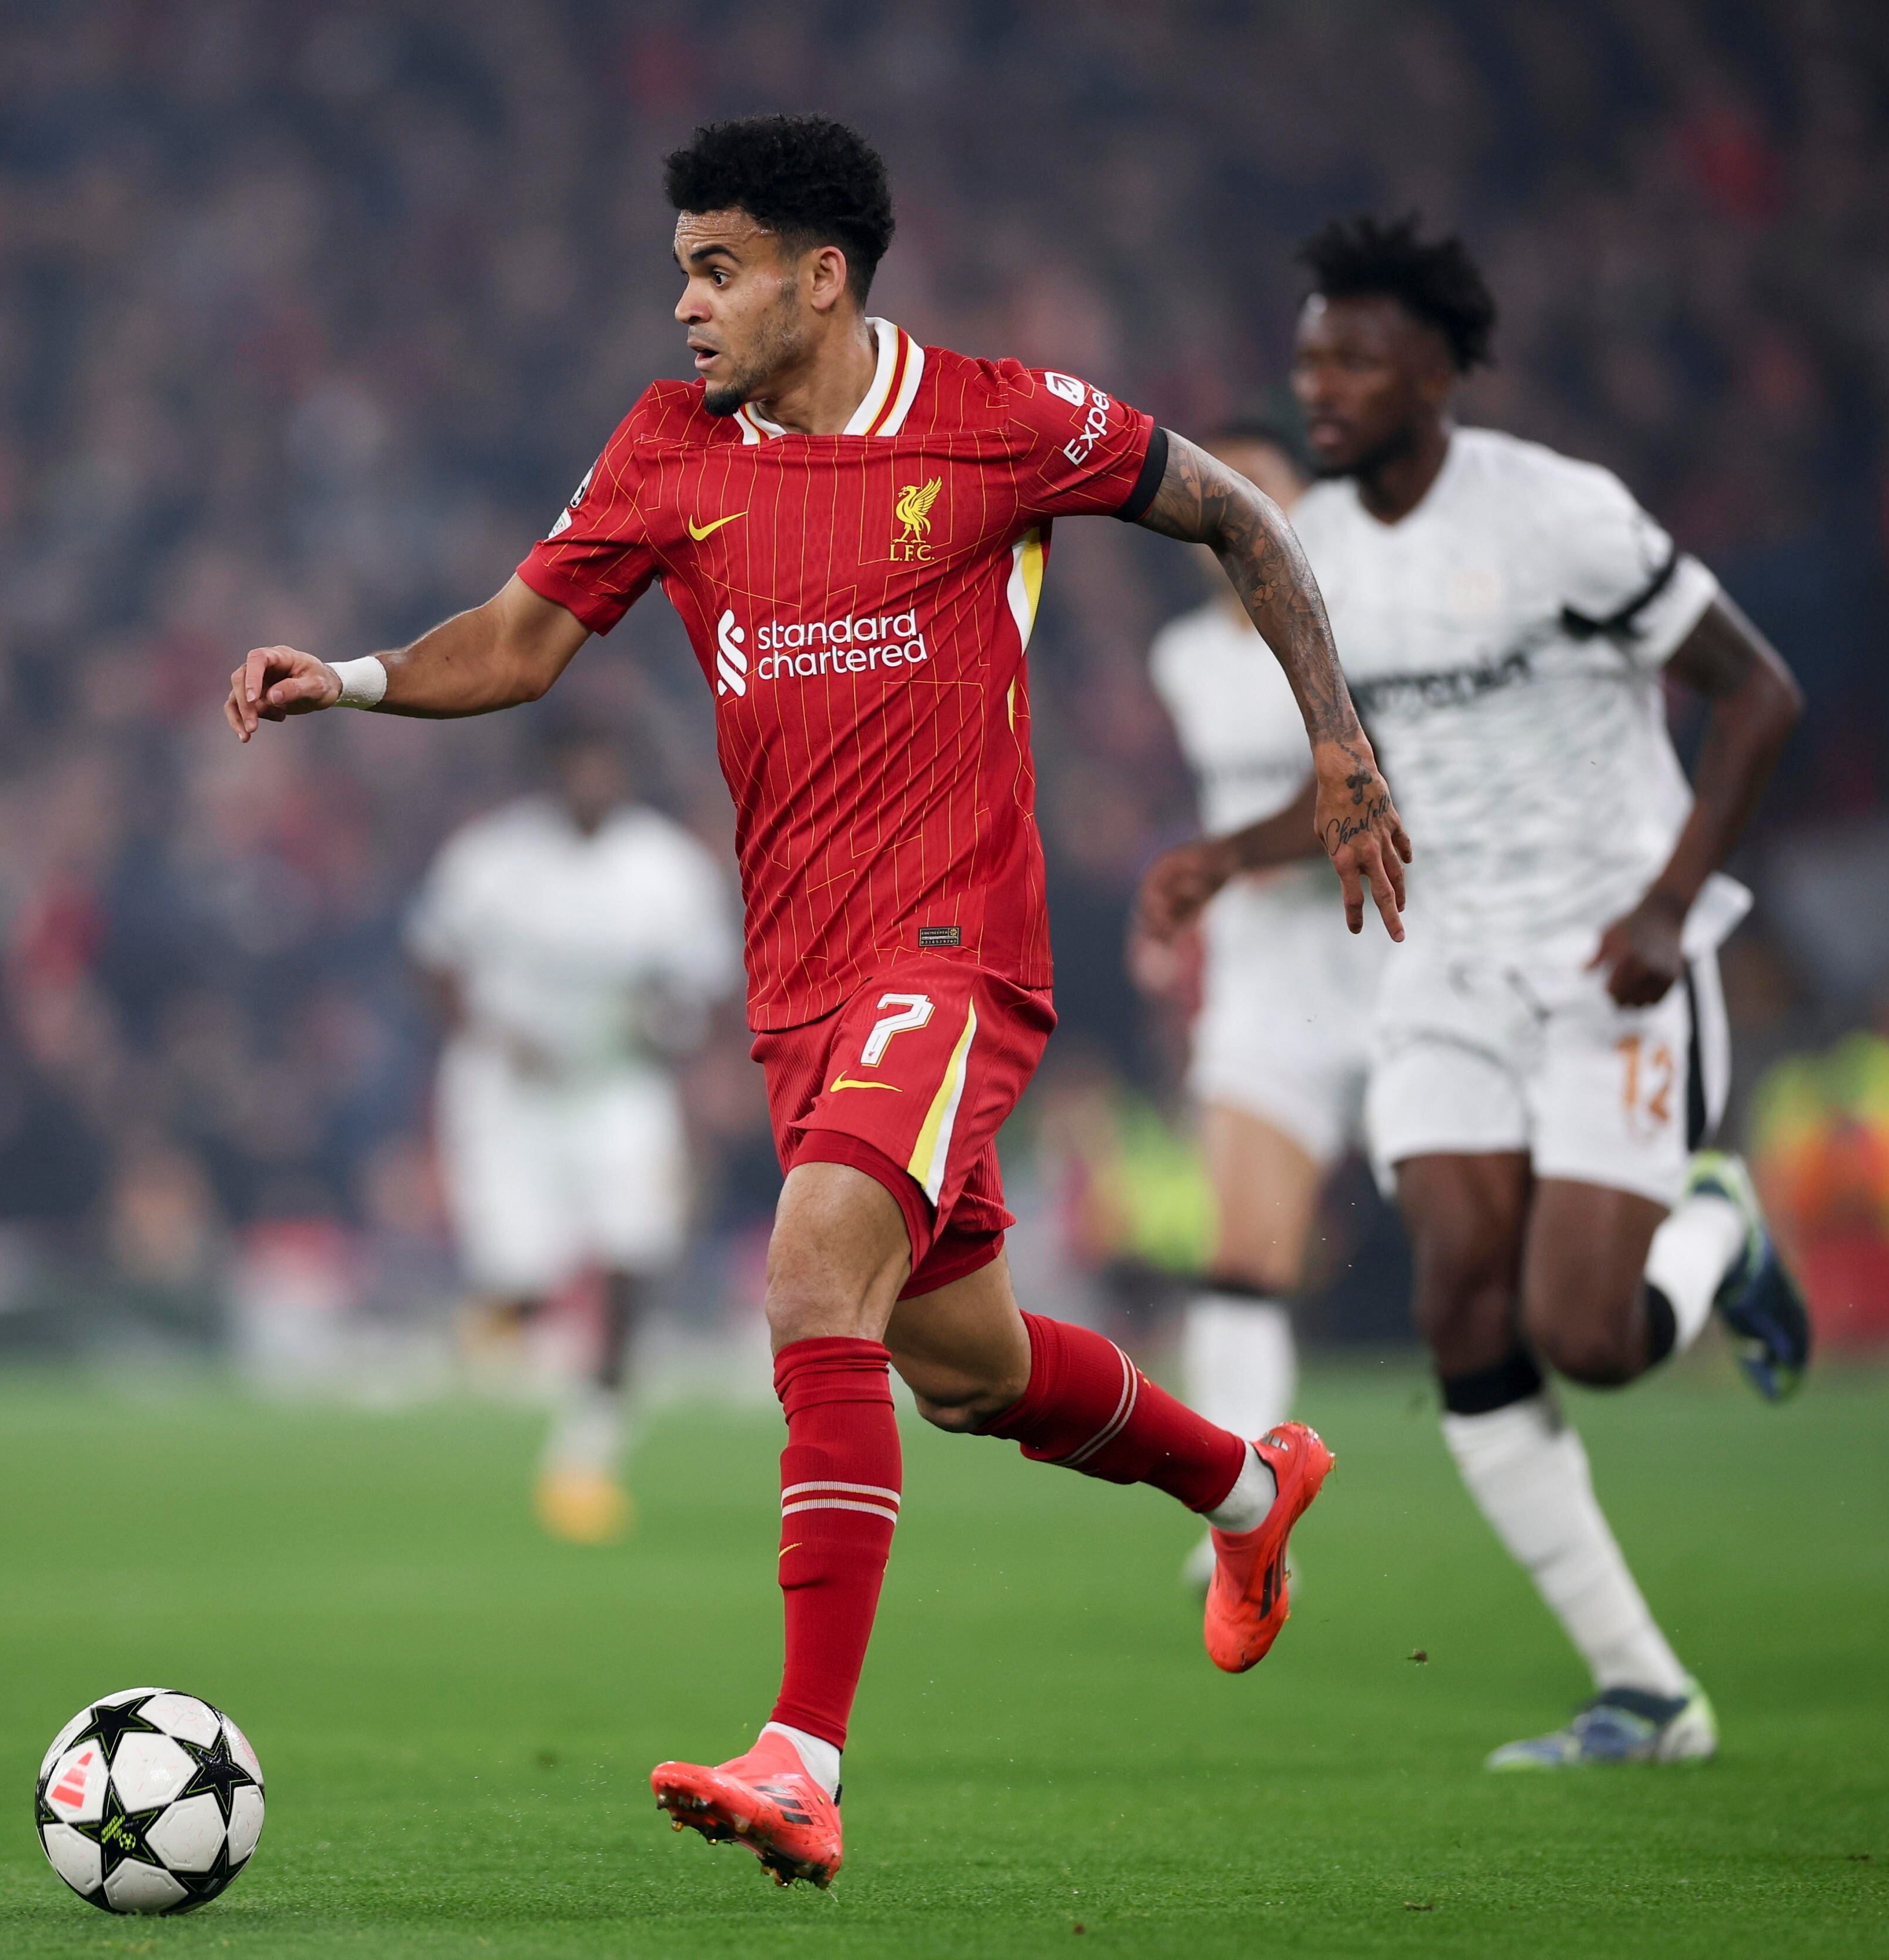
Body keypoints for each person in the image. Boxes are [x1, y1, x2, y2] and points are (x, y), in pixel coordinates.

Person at [228, 115, 1409, 1888]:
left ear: (821, 276)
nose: (685, 304)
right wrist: (354, 676)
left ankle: (803, 1751)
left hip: (954, 951)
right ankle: (1250, 1486)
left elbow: (1238, 514)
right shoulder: (669, 447)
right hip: (799, 984)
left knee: (805, 1277)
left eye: (717, 270)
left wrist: (1337, 740)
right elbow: (524, 639)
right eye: (682, 271)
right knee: (967, 1368)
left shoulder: (997, 420)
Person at [1142, 213, 1810, 1769]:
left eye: (1358, 360)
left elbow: (1758, 694)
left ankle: (1720, 1225)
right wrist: (1224, 856)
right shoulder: (1312, 556)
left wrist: (1667, 902)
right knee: (1456, 1297)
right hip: (1443, 962)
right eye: (1311, 358)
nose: (1324, 386)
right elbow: (1359, 771)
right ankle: (1643, 1688)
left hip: (1608, 954)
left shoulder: (1560, 515)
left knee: (1591, 1334)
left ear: (1440, 371)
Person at [1134, 423, 1387, 1594]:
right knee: (1241, 1253)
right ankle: (1240, 1507)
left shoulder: (1367, 627)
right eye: (1211, 489)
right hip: (1265, 987)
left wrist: (1219, 859)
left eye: (1256, 485)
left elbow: (1367, 784)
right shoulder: (1182, 659)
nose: (1226, 510)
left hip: (1399, 960)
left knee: (1506, 1264)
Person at [406, 719, 739, 1543]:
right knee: (518, 1284)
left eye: (605, 764)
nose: (592, 779)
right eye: (578, 764)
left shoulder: (666, 868)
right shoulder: (492, 858)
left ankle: (587, 1453)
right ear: (551, 772)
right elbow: (434, 957)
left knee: (638, 1254)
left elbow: (706, 987)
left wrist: (673, 1029)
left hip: (620, 1086)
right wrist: (487, 1032)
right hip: (509, 1089)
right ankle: (452, 1351)